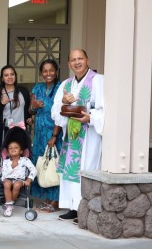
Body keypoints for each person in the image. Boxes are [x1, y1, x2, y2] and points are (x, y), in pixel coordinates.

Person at [51, 49, 104, 221]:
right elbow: (55, 111)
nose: (77, 62)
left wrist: (91, 118)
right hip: (71, 135)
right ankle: (73, 207)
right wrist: (63, 104)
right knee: (71, 171)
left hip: (89, 136)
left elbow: (105, 109)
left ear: (87, 60)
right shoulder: (65, 84)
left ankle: (85, 209)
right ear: (69, 64)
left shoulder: (98, 80)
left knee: (86, 169)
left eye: (80, 58)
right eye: (73, 59)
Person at [29, 59, 62, 213]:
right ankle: (47, 198)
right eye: (45, 71)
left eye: (51, 70)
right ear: (41, 73)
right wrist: (33, 107)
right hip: (40, 132)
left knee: (54, 164)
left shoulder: (61, 88)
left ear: (56, 71)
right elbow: (31, 111)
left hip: (54, 132)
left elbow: (61, 113)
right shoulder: (38, 87)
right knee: (43, 164)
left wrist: (55, 135)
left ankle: (55, 201)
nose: (48, 74)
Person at [0, 65, 31, 157]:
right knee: (6, 157)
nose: (9, 77)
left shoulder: (23, 91)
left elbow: (27, 109)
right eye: (6, 75)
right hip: (4, 130)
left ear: (15, 76)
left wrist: (29, 118)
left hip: (20, 129)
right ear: (2, 78)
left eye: (12, 74)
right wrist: (2, 104)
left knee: (21, 157)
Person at [1, 138, 37, 217]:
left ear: (21, 151)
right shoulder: (6, 162)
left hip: (20, 179)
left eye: (16, 147)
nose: (13, 149)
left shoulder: (25, 160)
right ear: (8, 152)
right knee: (6, 183)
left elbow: (33, 170)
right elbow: (4, 174)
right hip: (8, 178)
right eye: (10, 148)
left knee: (17, 185)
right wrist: (11, 167)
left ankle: (9, 204)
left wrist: (29, 179)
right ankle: (9, 206)